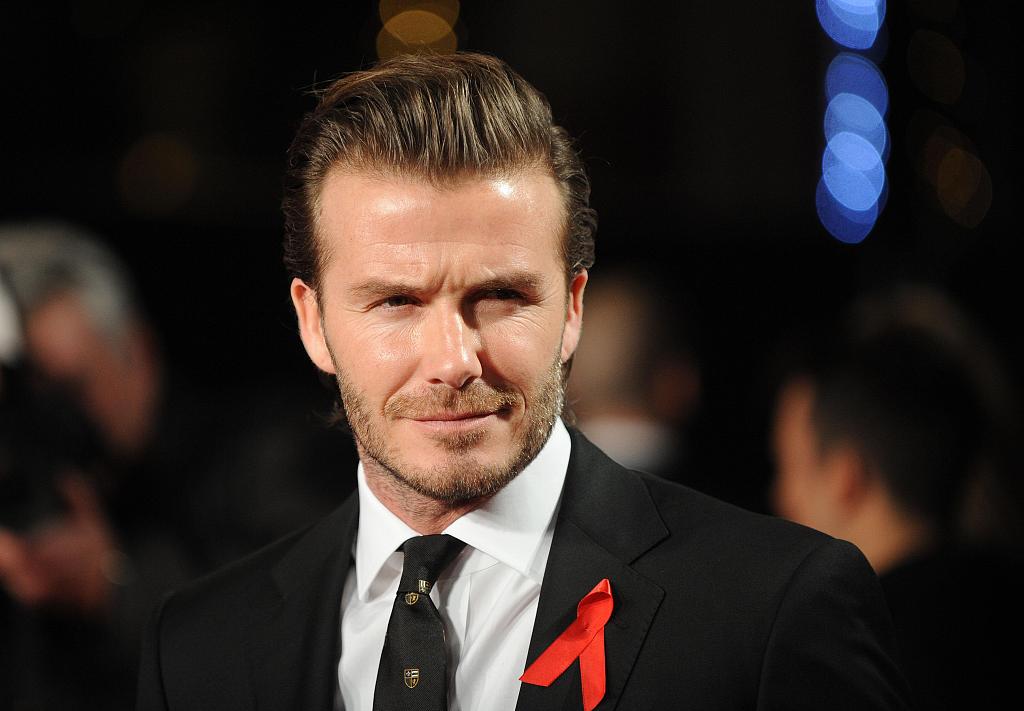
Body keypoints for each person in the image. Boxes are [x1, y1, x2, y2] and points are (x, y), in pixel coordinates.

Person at [137, 52, 909, 711]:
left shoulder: (771, 608)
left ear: (572, 308)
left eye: (501, 295)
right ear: (313, 322)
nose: (454, 359)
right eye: (397, 301)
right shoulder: (199, 646)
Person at [771, 288, 1024, 710]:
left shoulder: (841, 659)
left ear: (845, 479)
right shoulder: (1001, 607)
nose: (780, 497)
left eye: (790, 466)